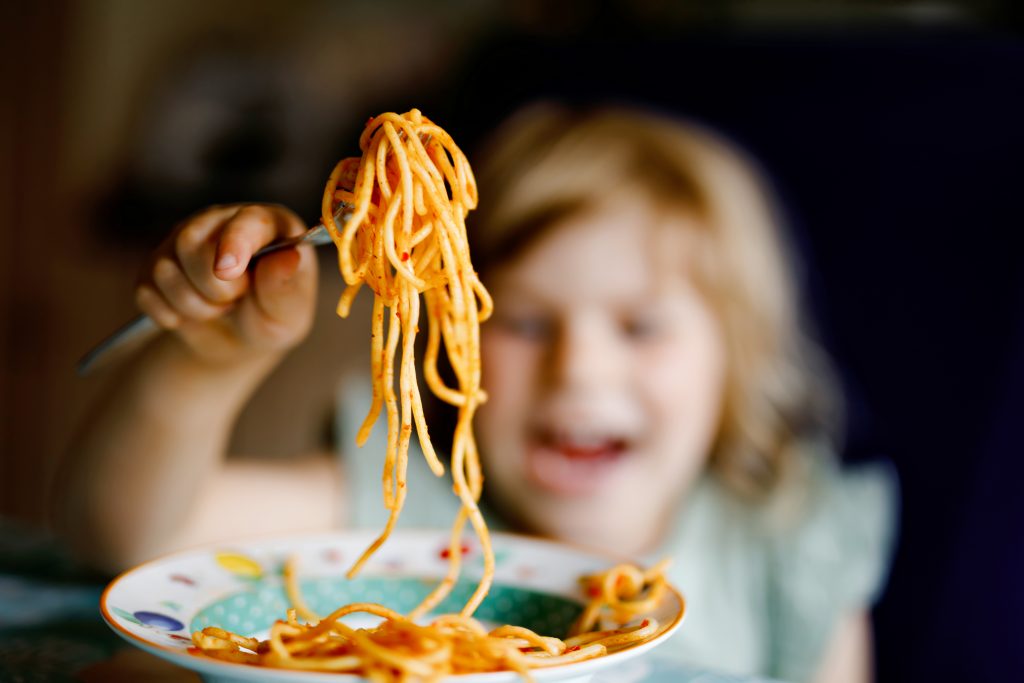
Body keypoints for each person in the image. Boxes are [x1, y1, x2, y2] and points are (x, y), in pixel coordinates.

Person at [53, 103, 894, 682]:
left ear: (736, 360)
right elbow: (125, 533)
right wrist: (207, 362)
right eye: (525, 321)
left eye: (641, 326)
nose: (582, 370)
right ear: (452, 329)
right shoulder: (408, 511)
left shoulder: (788, 546)